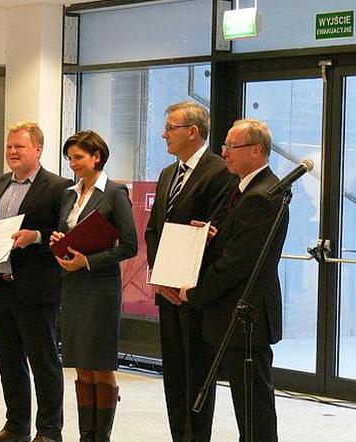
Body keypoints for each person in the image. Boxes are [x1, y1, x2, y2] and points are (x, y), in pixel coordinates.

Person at [179, 119, 289, 442]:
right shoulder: (246, 190)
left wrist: (194, 293)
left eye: (231, 146)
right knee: (248, 403)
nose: (223, 152)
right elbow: (239, 245)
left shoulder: (261, 195)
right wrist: (216, 236)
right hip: (235, 316)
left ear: (256, 150)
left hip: (246, 318)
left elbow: (237, 265)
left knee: (254, 409)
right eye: (224, 145)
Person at [145, 100, 235, 442]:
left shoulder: (219, 171)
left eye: (170, 127)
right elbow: (154, 230)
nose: (164, 134)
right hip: (167, 291)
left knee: (196, 375)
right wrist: (161, 277)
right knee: (174, 375)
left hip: (195, 292)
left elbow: (213, 233)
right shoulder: (169, 173)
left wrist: (182, 282)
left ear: (192, 132)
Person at [0, 122, 72, 442]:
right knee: (9, 362)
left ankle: (48, 431)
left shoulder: (59, 187)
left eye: (19, 146)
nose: (12, 151)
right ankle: (16, 427)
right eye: (9, 146)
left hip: (35, 288)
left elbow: (66, 236)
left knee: (43, 363)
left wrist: (36, 237)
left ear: (38, 150)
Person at [50, 130, 138, 442]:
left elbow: (129, 246)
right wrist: (58, 240)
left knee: (100, 365)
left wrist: (87, 261)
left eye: (79, 157)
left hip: (100, 286)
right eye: (70, 158)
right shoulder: (70, 194)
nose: (73, 163)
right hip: (72, 285)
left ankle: (102, 436)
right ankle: (86, 435)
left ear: (96, 156)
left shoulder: (115, 192)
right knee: (81, 366)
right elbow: (67, 232)